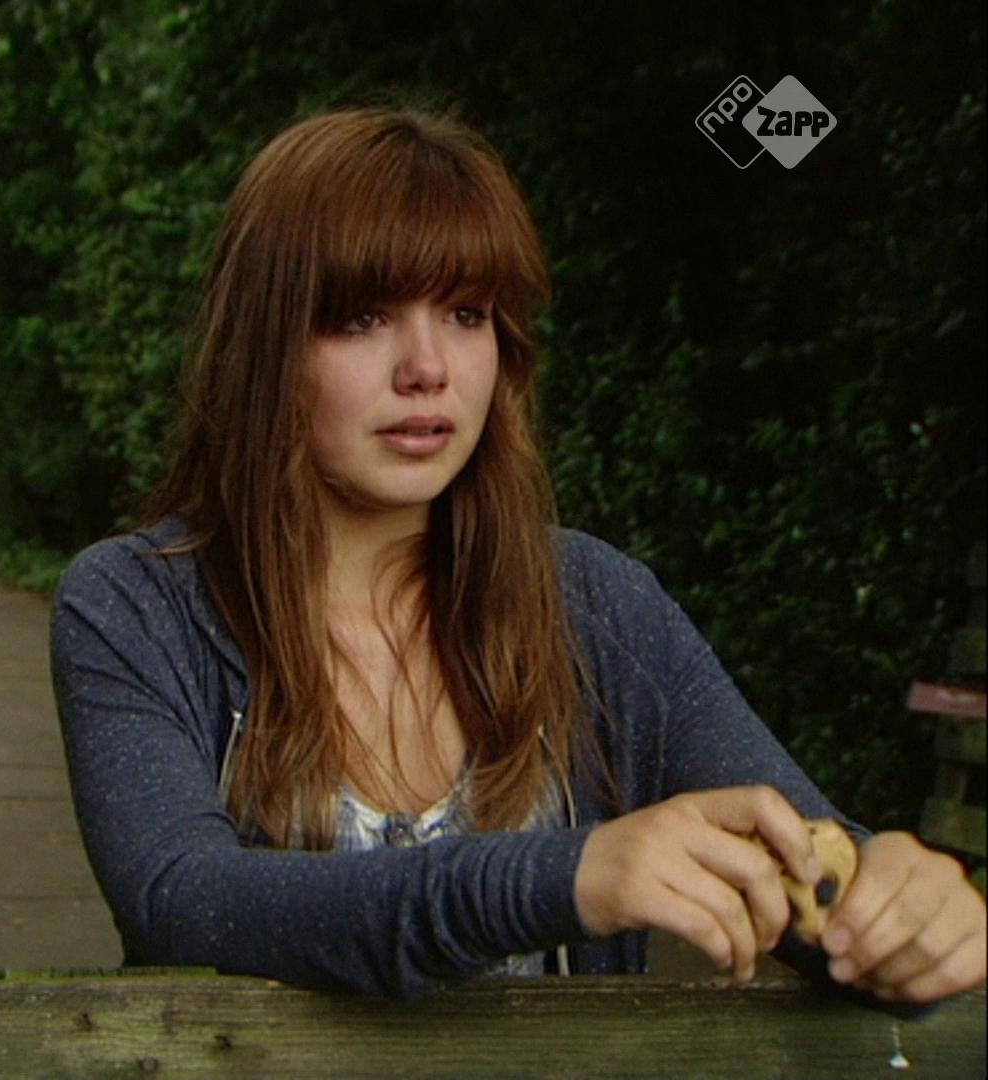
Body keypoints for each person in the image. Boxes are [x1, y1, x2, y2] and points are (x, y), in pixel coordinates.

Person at [48, 105, 986, 1002]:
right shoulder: (135, 605)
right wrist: (569, 876)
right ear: (264, 346)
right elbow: (187, 903)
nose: (427, 369)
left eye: (466, 312)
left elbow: (812, 876)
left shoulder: (596, 605)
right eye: (363, 317)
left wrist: (899, 922)